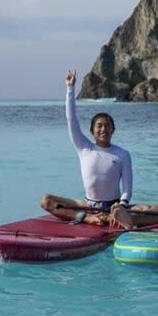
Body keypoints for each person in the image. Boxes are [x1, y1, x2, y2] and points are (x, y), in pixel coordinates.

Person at [40, 70, 135, 228]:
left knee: (148, 209)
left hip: (114, 208)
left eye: (107, 126)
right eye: (99, 126)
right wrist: (70, 88)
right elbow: (71, 119)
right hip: (88, 206)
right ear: (92, 131)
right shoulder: (84, 147)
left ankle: (115, 218)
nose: (103, 129)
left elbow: (127, 189)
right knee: (46, 200)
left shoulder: (123, 155)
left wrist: (121, 206)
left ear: (113, 130)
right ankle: (86, 218)